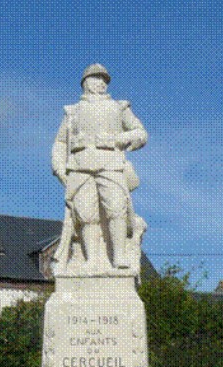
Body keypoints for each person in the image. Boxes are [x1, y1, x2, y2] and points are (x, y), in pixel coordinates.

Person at [51, 64, 147, 274]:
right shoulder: (72, 112)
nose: (101, 83)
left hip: (110, 165)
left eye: (104, 80)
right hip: (80, 168)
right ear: (86, 82)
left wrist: (122, 138)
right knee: (86, 215)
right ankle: (91, 260)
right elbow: (60, 142)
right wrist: (58, 167)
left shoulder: (119, 108)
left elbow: (140, 133)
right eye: (96, 79)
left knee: (116, 209)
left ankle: (118, 257)